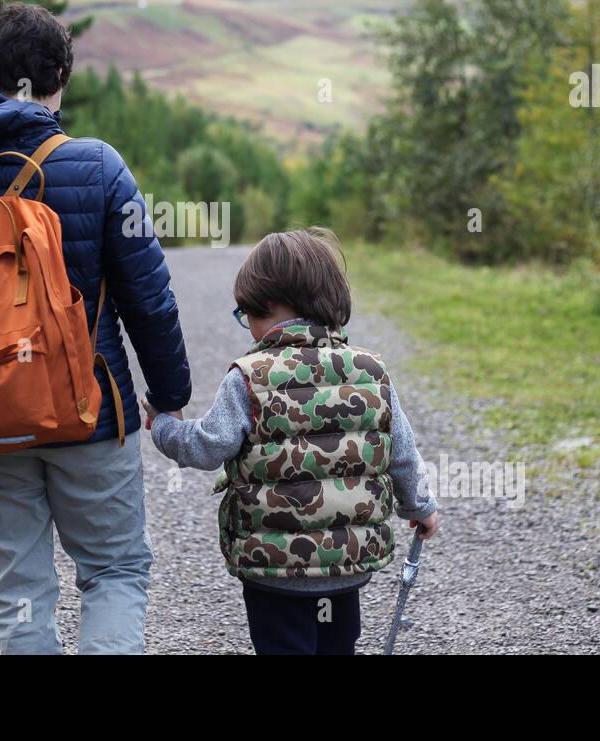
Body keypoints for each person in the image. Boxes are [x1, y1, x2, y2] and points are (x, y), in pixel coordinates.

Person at [0, 0, 191, 654]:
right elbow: (149, 300)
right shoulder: (99, 166)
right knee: (112, 568)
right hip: (90, 414)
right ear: (60, 77)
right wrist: (170, 394)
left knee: (17, 584)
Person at [146, 227, 438, 655]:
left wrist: (164, 426)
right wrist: (421, 508)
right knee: (337, 646)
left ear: (274, 307)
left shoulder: (248, 377)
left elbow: (204, 448)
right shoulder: (371, 372)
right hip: (346, 562)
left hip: (275, 570)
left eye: (249, 313)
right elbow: (402, 455)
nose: (249, 328)